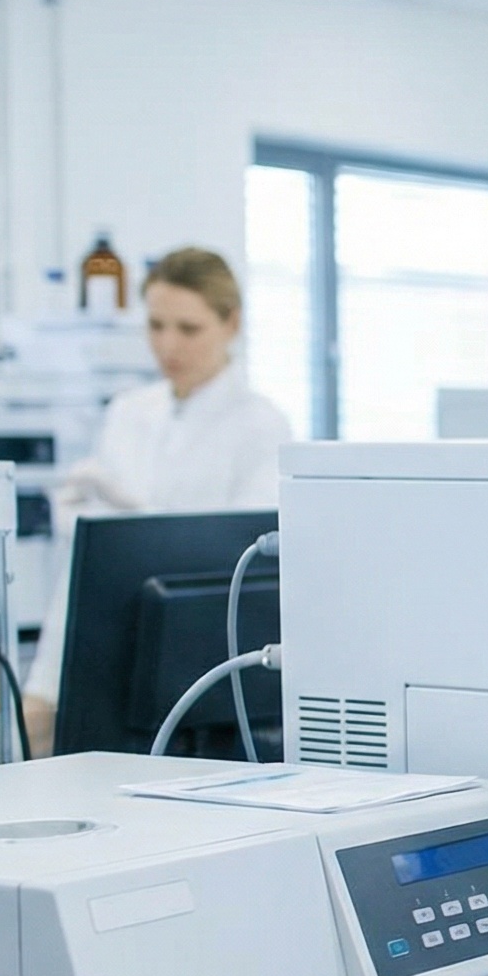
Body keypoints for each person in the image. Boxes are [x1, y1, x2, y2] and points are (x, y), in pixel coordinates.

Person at [25, 245, 293, 752]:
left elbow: (241, 564)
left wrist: (138, 524)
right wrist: (44, 686)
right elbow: (87, 575)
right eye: (156, 325)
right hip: (105, 653)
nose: (169, 345)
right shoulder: (129, 412)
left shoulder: (261, 425)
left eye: (188, 329)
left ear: (231, 323)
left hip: (199, 676)